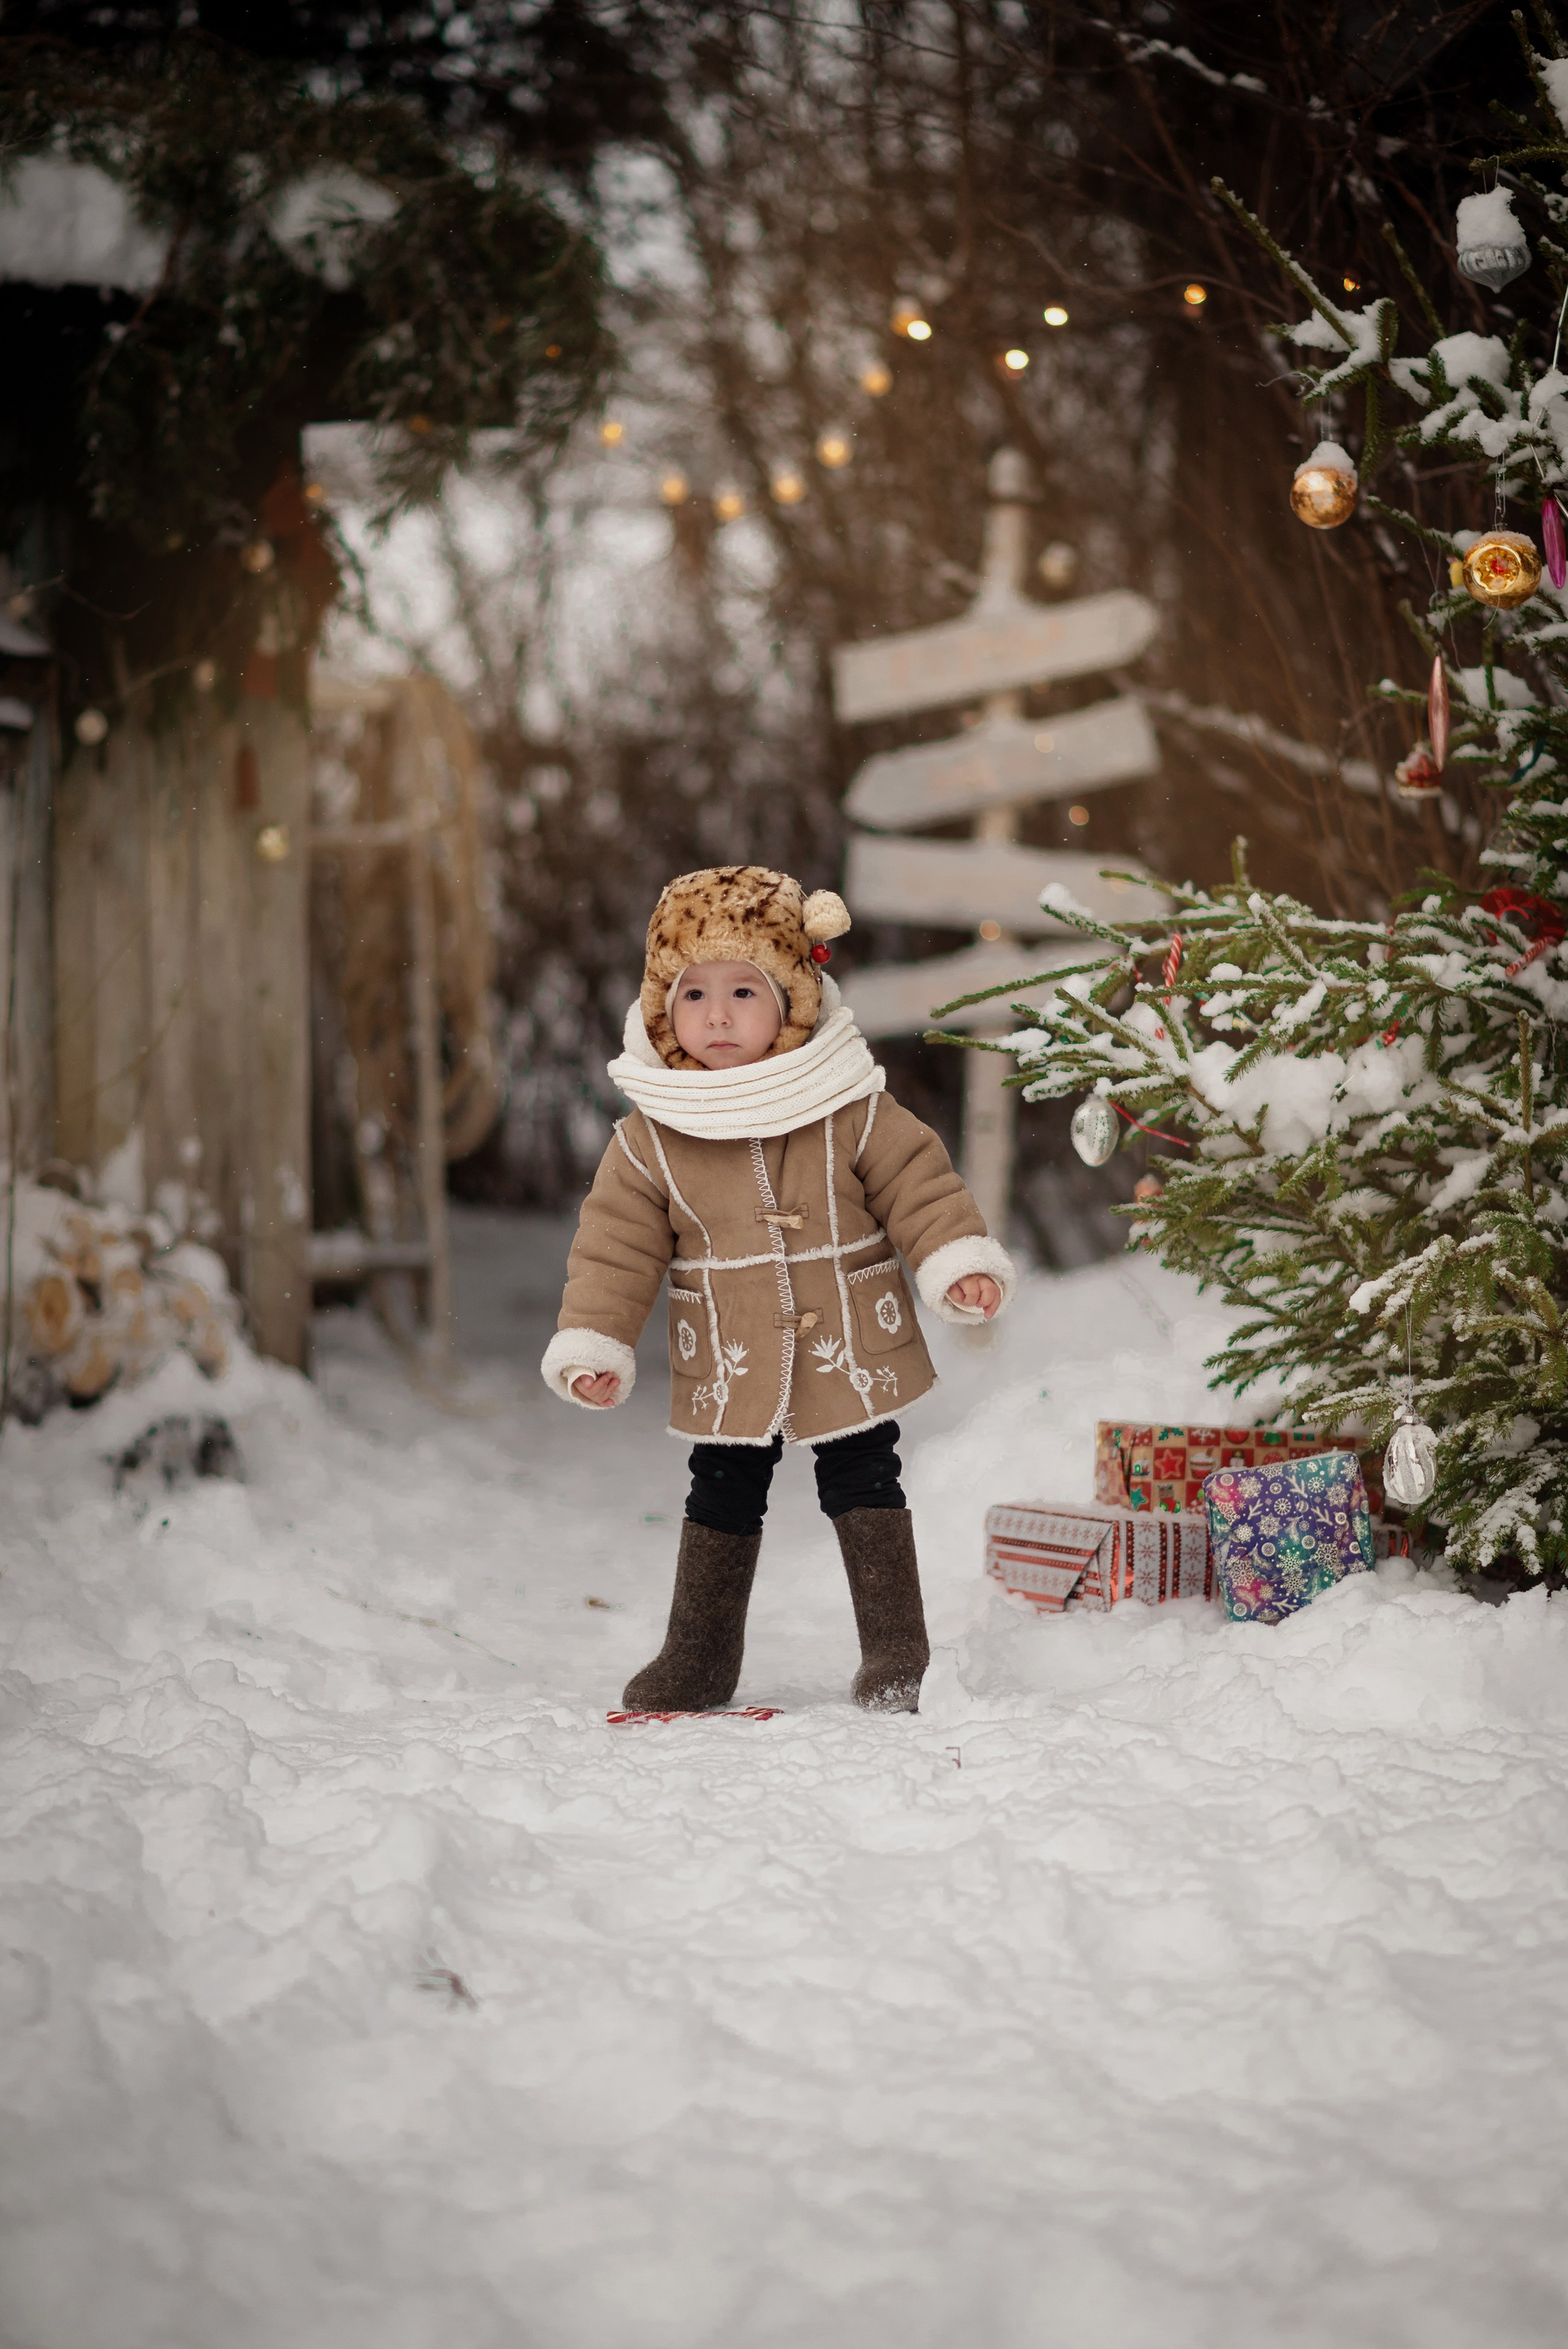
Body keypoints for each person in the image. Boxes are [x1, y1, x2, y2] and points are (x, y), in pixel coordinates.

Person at [542, 865, 1014, 1714]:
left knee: (865, 1473)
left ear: (793, 998)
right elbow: (614, 1246)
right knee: (721, 1484)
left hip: (845, 1328)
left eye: (743, 991)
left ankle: (898, 1654)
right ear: (662, 1006)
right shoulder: (652, 1136)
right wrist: (594, 1340)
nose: (717, 1015)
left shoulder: (848, 1104)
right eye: (693, 994)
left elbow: (917, 1183)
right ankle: (699, 1656)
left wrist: (956, 1260)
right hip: (731, 1346)